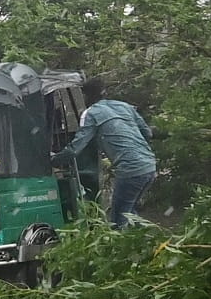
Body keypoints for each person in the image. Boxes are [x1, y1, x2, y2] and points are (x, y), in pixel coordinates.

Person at [53, 77, 157, 227]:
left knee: (117, 219)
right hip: (149, 165)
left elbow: (76, 148)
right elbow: (148, 133)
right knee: (129, 211)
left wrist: (54, 159)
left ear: (86, 96)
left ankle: (120, 248)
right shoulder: (125, 106)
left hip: (131, 170)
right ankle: (149, 243)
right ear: (104, 92)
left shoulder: (91, 113)